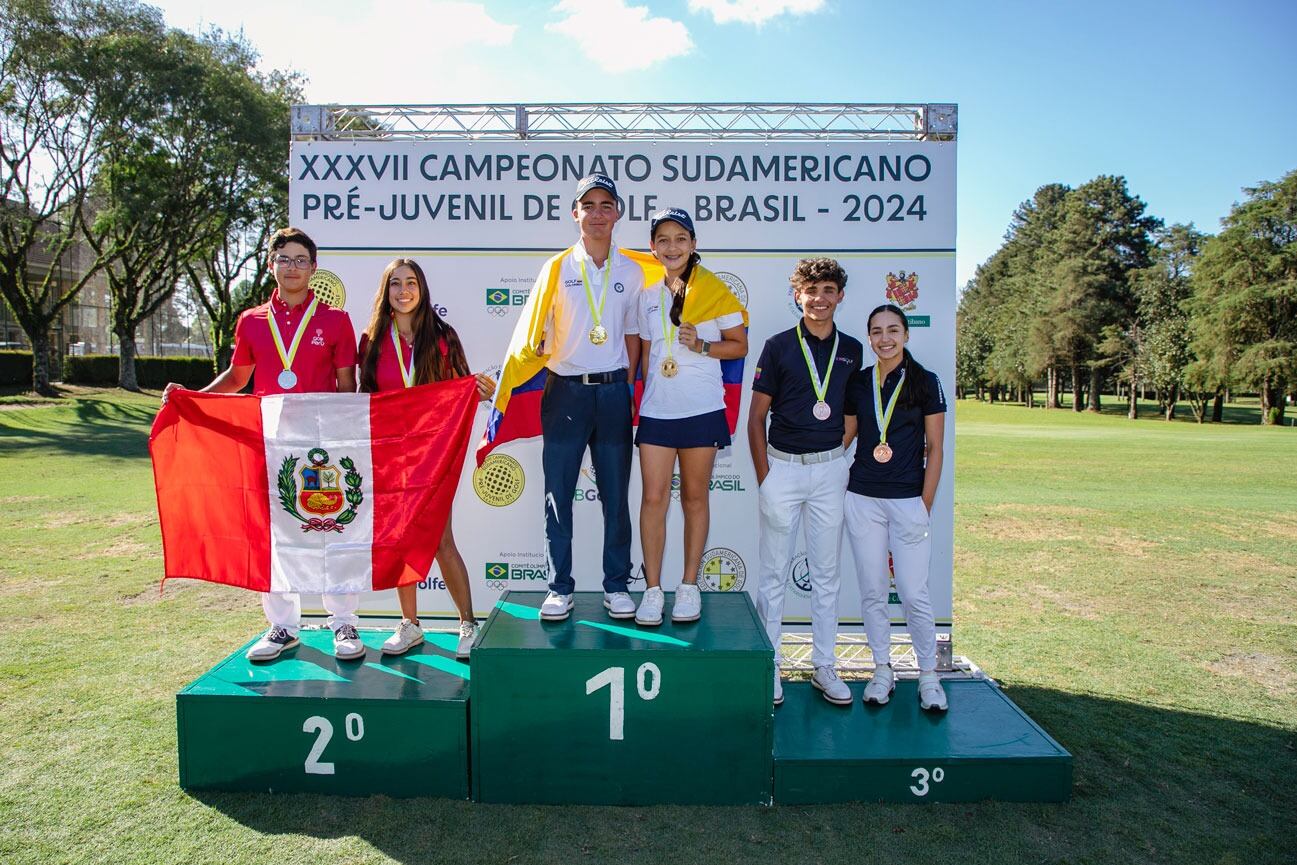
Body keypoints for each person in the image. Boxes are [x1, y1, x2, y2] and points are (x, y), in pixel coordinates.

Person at [162, 227, 362, 662]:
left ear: (314, 268)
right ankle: (282, 626)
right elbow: (237, 379)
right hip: (269, 442)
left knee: (332, 528)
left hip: (321, 446)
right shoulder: (252, 320)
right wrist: (193, 398)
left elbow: (348, 385)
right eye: (284, 259)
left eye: (301, 260)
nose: (292, 267)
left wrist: (344, 441)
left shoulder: (335, 320)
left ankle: (343, 622)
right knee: (273, 535)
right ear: (271, 265)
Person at [356, 258, 496, 659]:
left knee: (440, 541)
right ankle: (410, 625)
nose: (404, 290)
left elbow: (462, 387)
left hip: (432, 455)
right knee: (401, 541)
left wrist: (480, 390)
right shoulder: (372, 340)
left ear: (422, 288)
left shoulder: (442, 334)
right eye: (396, 283)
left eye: (411, 282)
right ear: (386, 291)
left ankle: (467, 624)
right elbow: (365, 396)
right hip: (390, 456)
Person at [521, 174, 643, 622]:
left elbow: (633, 334)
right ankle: (559, 586)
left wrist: (627, 388)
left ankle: (616, 584)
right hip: (565, 391)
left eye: (605, 204)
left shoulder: (632, 270)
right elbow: (530, 335)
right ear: (575, 213)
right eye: (587, 205)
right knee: (558, 493)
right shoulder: (554, 268)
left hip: (612, 392)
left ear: (617, 213)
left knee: (616, 494)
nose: (597, 213)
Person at [748, 258, 862, 707]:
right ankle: (770, 664)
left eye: (828, 289)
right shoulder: (777, 346)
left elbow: (852, 417)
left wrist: (833, 456)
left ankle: (824, 665)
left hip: (831, 471)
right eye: (811, 290)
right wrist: (765, 477)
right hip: (782, 469)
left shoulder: (852, 348)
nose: (819, 299)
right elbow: (755, 419)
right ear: (797, 295)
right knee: (774, 574)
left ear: (840, 296)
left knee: (827, 573)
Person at [633, 208, 747, 626]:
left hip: (701, 408)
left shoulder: (715, 290)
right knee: (652, 499)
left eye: (681, 238)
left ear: (694, 244)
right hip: (657, 412)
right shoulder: (647, 295)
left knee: (695, 498)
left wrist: (702, 347)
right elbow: (645, 354)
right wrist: (637, 402)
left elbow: (739, 346)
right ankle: (651, 590)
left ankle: (688, 586)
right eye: (663, 239)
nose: (672, 247)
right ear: (653, 248)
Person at [843, 304, 948, 711]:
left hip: (908, 500)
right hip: (862, 498)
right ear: (869, 337)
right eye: (876, 331)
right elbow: (847, 437)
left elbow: (936, 449)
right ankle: (882, 669)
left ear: (906, 334)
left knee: (912, 592)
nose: (884, 338)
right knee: (872, 590)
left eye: (892, 330)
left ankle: (928, 676)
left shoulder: (926, 382)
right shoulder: (859, 382)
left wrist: (924, 502)